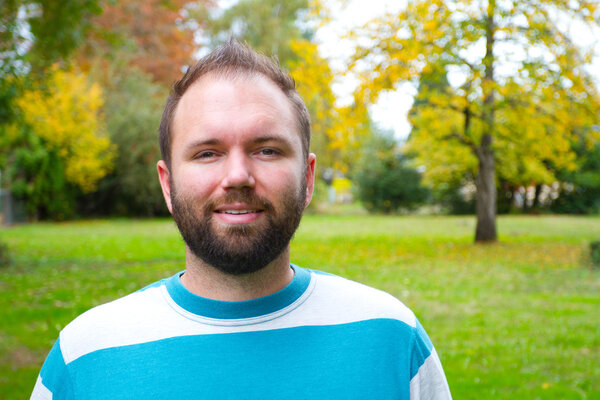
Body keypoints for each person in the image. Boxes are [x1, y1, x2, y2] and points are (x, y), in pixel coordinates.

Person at [31, 39, 452, 400]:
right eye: (207, 152)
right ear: (167, 184)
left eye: (267, 149)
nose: (237, 176)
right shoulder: (83, 358)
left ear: (307, 179)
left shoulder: (392, 340)